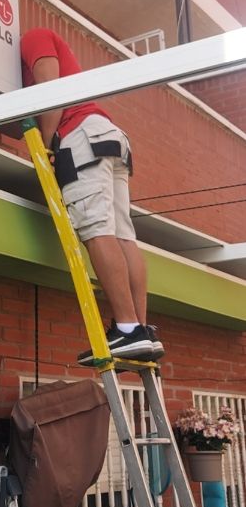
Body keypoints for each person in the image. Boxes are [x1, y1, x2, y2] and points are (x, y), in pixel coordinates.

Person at [20, 27, 163, 363]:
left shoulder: (33, 37)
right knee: (123, 235)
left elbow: (55, 90)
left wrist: (46, 141)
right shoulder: (47, 50)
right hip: (108, 136)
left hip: (80, 134)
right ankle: (139, 329)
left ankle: (128, 330)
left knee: (96, 228)